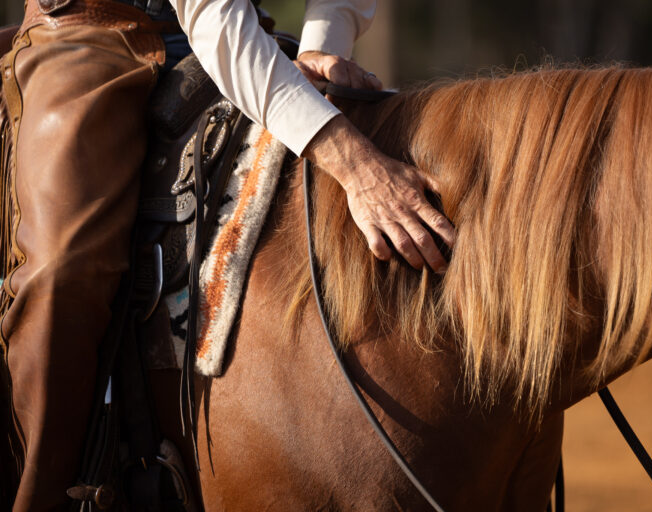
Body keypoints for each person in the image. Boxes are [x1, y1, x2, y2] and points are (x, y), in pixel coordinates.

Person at [0, 0, 454, 509]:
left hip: (246, 35)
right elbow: (211, 13)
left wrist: (325, 41)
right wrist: (355, 164)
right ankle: (38, 495)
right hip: (87, 32)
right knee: (62, 270)